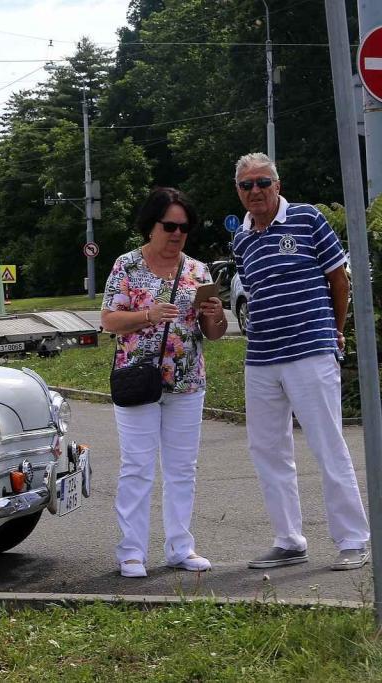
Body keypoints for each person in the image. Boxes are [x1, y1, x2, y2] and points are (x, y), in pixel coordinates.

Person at [231, 152, 370, 571]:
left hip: (310, 351)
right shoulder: (241, 239)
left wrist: (334, 330)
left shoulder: (307, 218)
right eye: (247, 185)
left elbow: (339, 279)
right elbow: (253, 294)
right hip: (261, 357)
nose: (256, 190)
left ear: (277, 184)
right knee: (267, 450)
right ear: (239, 191)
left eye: (263, 182)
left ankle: (353, 539)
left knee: (328, 444)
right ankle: (289, 540)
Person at [101, 187, 227, 578]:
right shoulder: (127, 266)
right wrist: (148, 315)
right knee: (137, 466)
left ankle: (180, 548)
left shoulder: (197, 271)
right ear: (151, 225)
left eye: (184, 228)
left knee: (182, 469)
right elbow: (109, 320)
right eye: (169, 226)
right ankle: (131, 552)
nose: (177, 234)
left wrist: (216, 313)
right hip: (138, 380)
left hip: (187, 382)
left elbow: (214, 333)